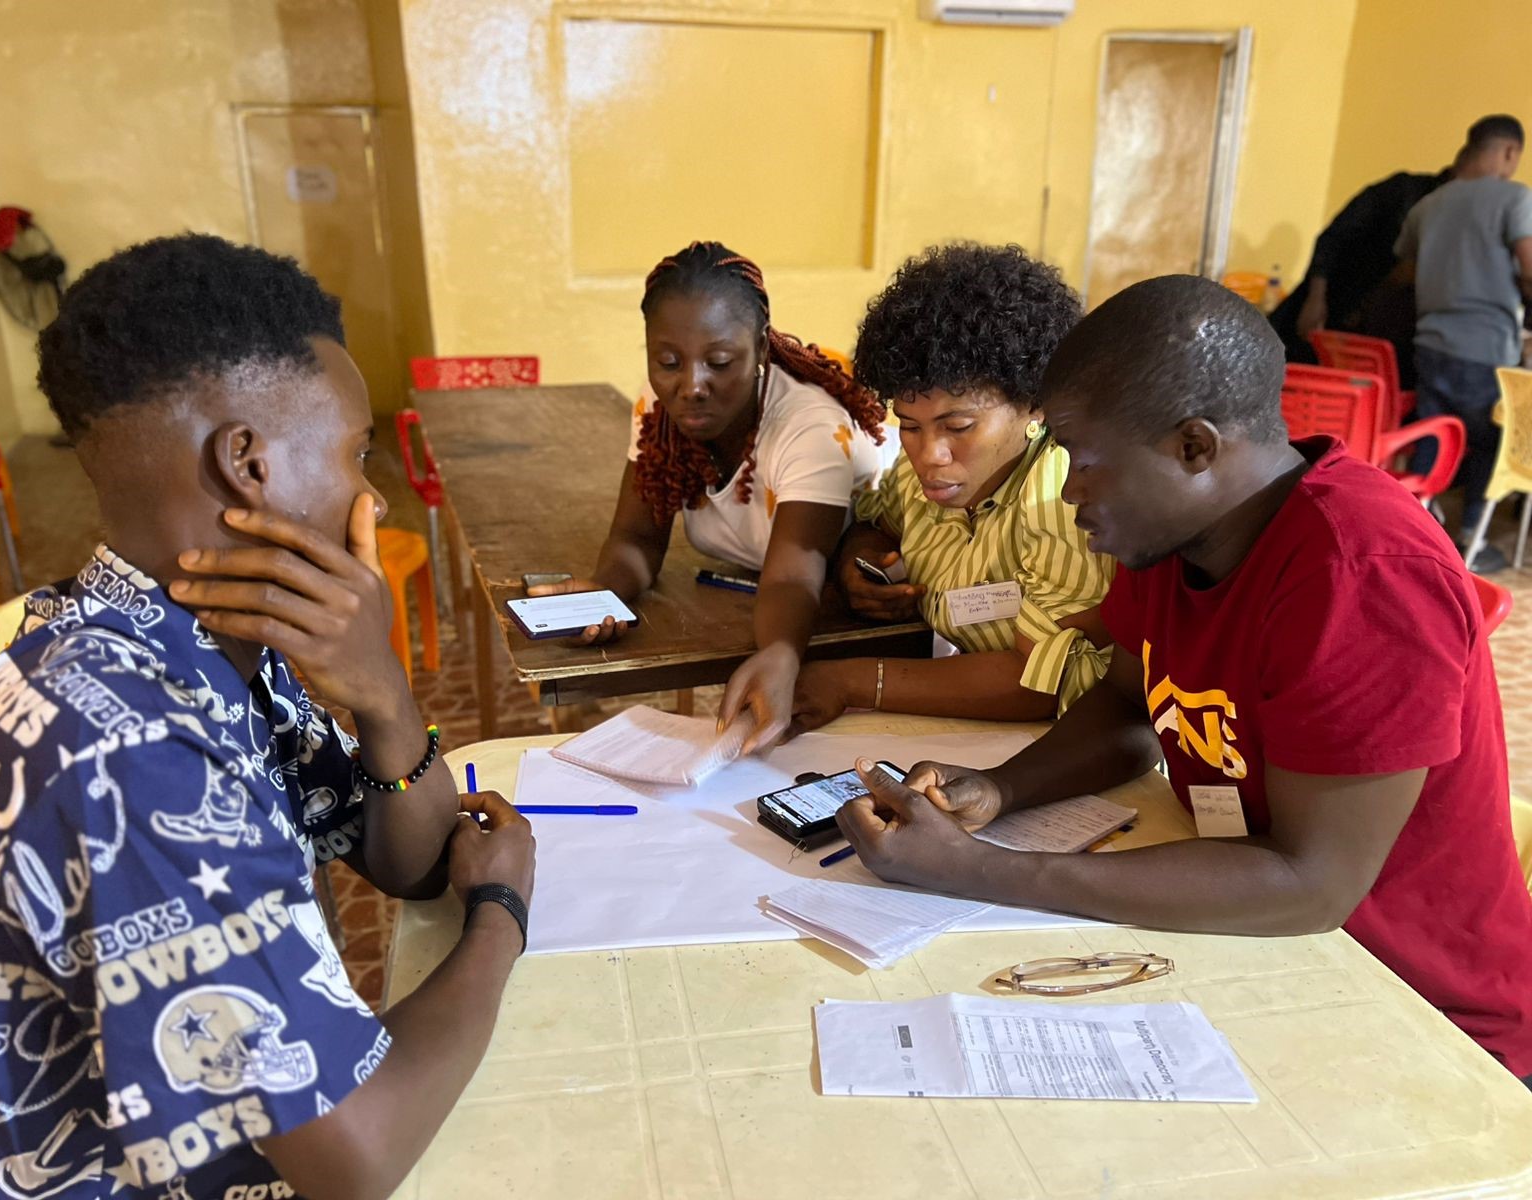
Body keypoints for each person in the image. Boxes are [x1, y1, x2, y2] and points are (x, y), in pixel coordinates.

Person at [0, 234, 537, 1198]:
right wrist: (501, 920)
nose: (371, 497)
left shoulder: (203, 635)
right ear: (248, 463)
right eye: (352, 453)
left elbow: (409, 863)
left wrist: (382, 691)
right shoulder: (122, 746)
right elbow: (355, 1156)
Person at [834, 274, 1532, 1084]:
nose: (1071, 495)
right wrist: (1001, 791)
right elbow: (1131, 707)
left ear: (1194, 448)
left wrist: (982, 870)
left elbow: (1312, 886)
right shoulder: (1173, 535)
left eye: (1083, 463)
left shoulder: (1359, 573)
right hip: (1267, 947)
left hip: (1421, 1018)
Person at [531, 240, 887, 753]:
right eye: (668, 361)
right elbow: (637, 536)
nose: (691, 385)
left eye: (719, 361)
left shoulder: (809, 429)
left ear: (763, 347)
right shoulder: (659, 408)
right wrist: (604, 592)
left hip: (854, 605)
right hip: (771, 589)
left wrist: (782, 653)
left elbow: (791, 573)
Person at [788, 244, 1113, 735]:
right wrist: (863, 563)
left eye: (958, 426)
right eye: (910, 426)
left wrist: (856, 680)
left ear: (1035, 405)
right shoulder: (920, 472)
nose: (929, 455)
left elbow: (1036, 682)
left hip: (1068, 741)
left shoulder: (1063, 494)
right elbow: (878, 521)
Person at [1393, 113, 1532, 566]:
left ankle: (1412, 528)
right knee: (1492, 440)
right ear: (1509, 152)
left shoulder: (1426, 207)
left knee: (1435, 435)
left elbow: (1407, 274)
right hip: (1486, 346)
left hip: (1431, 343)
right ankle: (1471, 537)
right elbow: (1530, 269)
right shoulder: (1515, 199)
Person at [1269, 150, 1453, 379]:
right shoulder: (1401, 190)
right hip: (1328, 310)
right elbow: (1333, 237)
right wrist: (1316, 297)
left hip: (1372, 338)